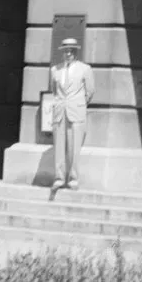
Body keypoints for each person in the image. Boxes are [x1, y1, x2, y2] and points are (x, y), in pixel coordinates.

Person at [49, 33, 94, 194]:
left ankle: (73, 179)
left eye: (71, 51)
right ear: (62, 52)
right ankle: (59, 178)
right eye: (65, 51)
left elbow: (90, 92)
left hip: (76, 112)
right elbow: (54, 91)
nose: (68, 53)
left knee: (74, 148)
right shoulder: (55, 70)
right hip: (60, 112)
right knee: (59, 148)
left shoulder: (85, 69)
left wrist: (78, 104)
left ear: (75, 52)